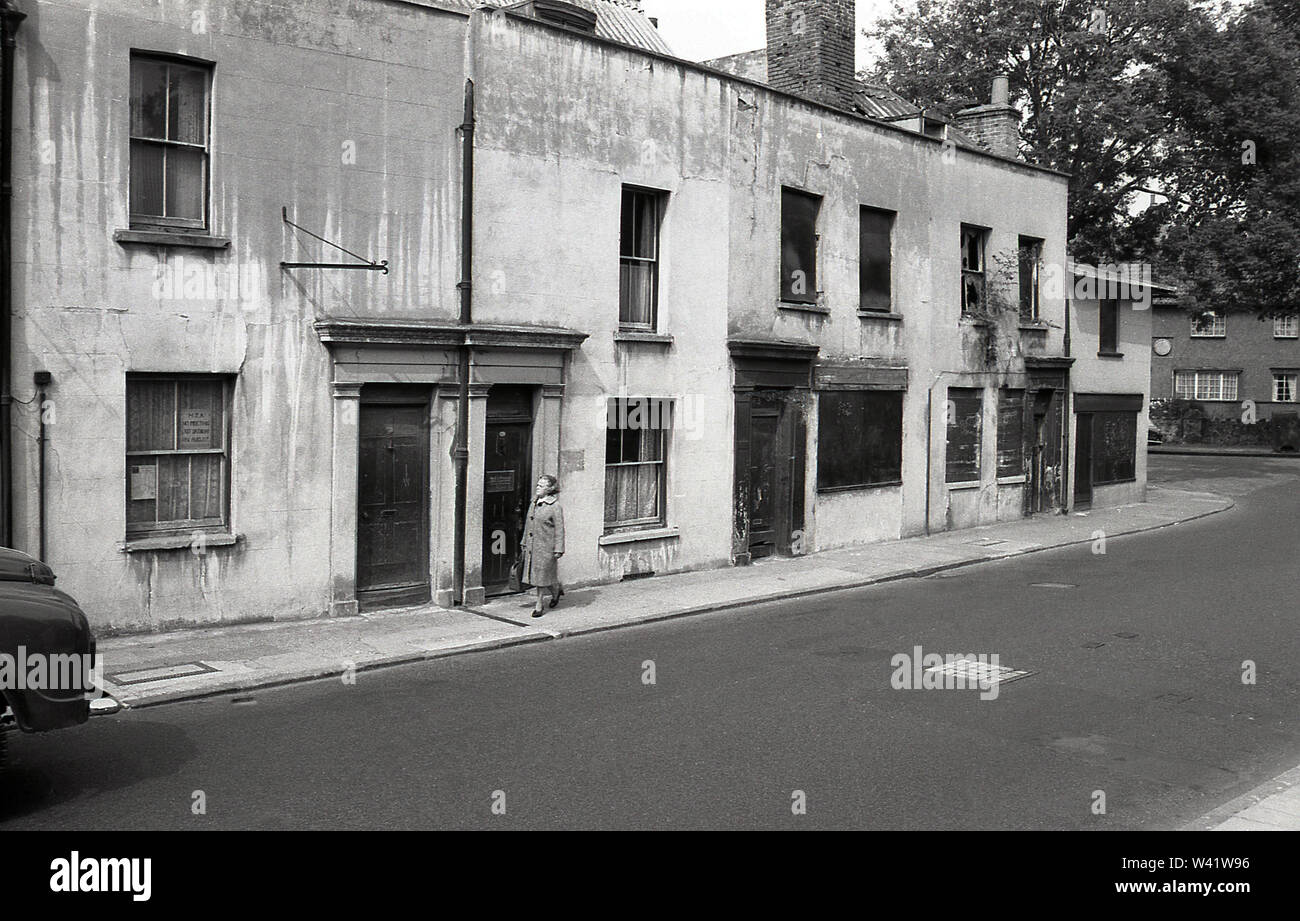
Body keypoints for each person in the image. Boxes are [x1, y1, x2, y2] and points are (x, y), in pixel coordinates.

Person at [520, 474, 564, 617]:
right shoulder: (534, 502)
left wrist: (559, 548)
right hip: (533, 546)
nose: (537, 488)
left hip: (547, 547)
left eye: (541, 486)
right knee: (542, 575)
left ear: (550, 489)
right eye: (537, 485)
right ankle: (556, 589)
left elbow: (560, 529)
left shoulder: (555, 506)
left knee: (541, 576)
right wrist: (524, 542)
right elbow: (528, 524)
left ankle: (539, 605)